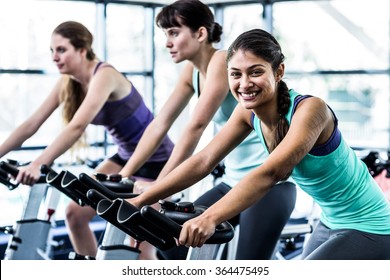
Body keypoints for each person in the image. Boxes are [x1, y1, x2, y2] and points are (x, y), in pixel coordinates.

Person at [128, 28, 390, 259]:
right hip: (330, 221)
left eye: (255, 72)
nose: (244, 84)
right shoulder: (247, 112)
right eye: (235, 74)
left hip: (370, 225)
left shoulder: (311, 110)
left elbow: (271, 172)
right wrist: (141, 199)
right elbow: (204, 160)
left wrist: (210, 217)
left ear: (279, 72)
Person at [120, 0, 296, 260]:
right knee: (171, 244)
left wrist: (160, 186)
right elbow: (160, 123)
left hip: (267, 186)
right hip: (231, 182)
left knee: (248, 264)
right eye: (165, 34)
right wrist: (126, 175)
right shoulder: (191, 71)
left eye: (174, 33)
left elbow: (196, 126)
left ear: (201, 34)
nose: (167, 42)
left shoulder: (221, 61)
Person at [0, 21, 174, 258]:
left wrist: (39, 164)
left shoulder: (105, 75)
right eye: (52, 51)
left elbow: (77, 126)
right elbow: (32, 124)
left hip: (158, 162)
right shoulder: (68, 82)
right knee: (74, 213)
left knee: (140, 246)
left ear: (82, 50)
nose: (54, 57)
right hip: (125, 157)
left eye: (61, 50)